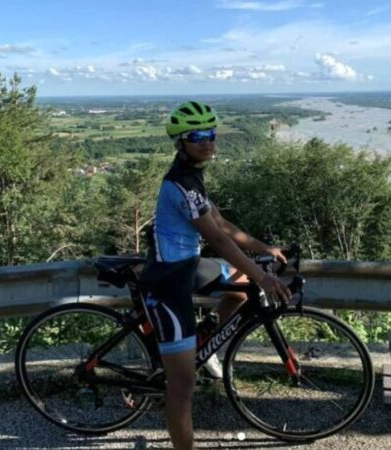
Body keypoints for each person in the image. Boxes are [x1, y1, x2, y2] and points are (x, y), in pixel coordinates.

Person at [140, 100, 291, 450]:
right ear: (181, 142)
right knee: (182, 388)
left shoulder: (193, 176)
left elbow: (221, 223)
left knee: (240, 287)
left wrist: (263, 248)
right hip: (167, 284)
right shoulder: (180, 184)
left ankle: (204, 346)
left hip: (189, 266)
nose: (207, 141)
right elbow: (219, 240)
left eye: (211, 134)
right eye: (197, 136)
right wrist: (264, 277)